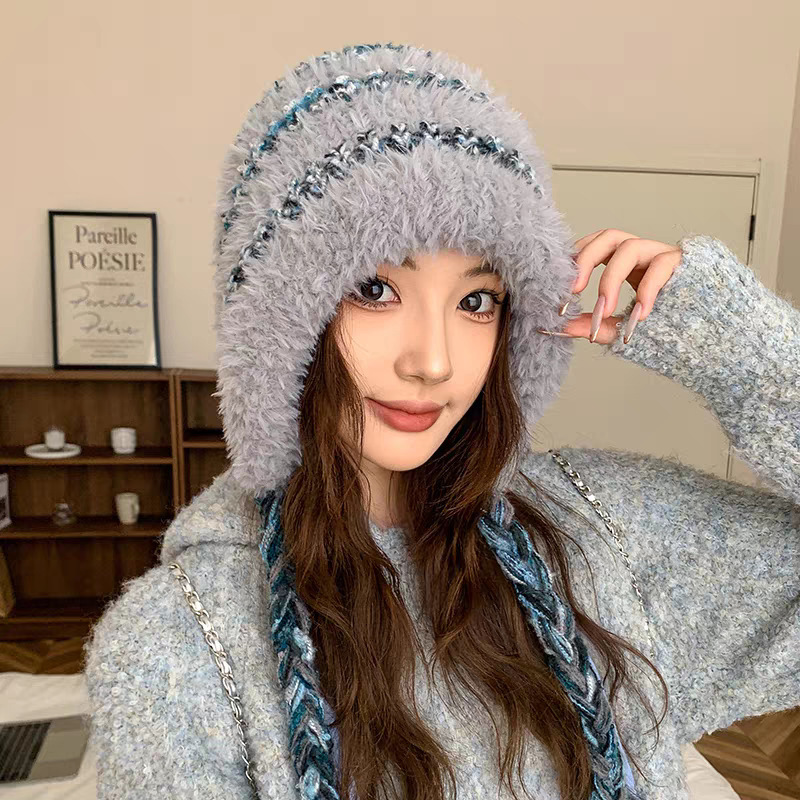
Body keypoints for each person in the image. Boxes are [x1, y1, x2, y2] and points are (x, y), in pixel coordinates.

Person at [83, 42, 800, 800]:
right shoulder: (177, 648)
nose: (433, 361)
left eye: (476, 301)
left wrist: (741, 346)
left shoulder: (602, 531)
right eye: (375, 289)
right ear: (279, 319)